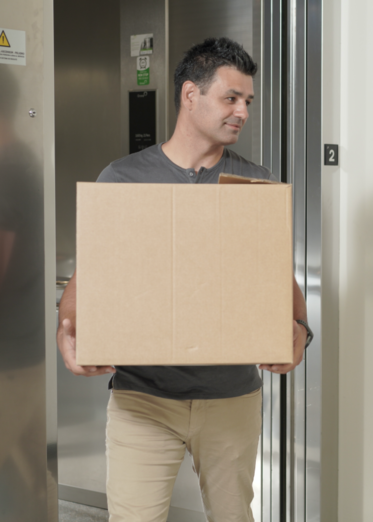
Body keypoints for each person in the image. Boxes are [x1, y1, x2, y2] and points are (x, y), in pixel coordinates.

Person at [56, 37, 312, 522]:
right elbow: (88, 279)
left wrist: (300, 329)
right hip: (143, 400)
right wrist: (67, 332)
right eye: (230, 98)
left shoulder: (256, 184)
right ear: (190, 95)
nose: (242, 111)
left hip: (231, 400)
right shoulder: (124, 179)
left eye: (247, 102)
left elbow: (277, 278)